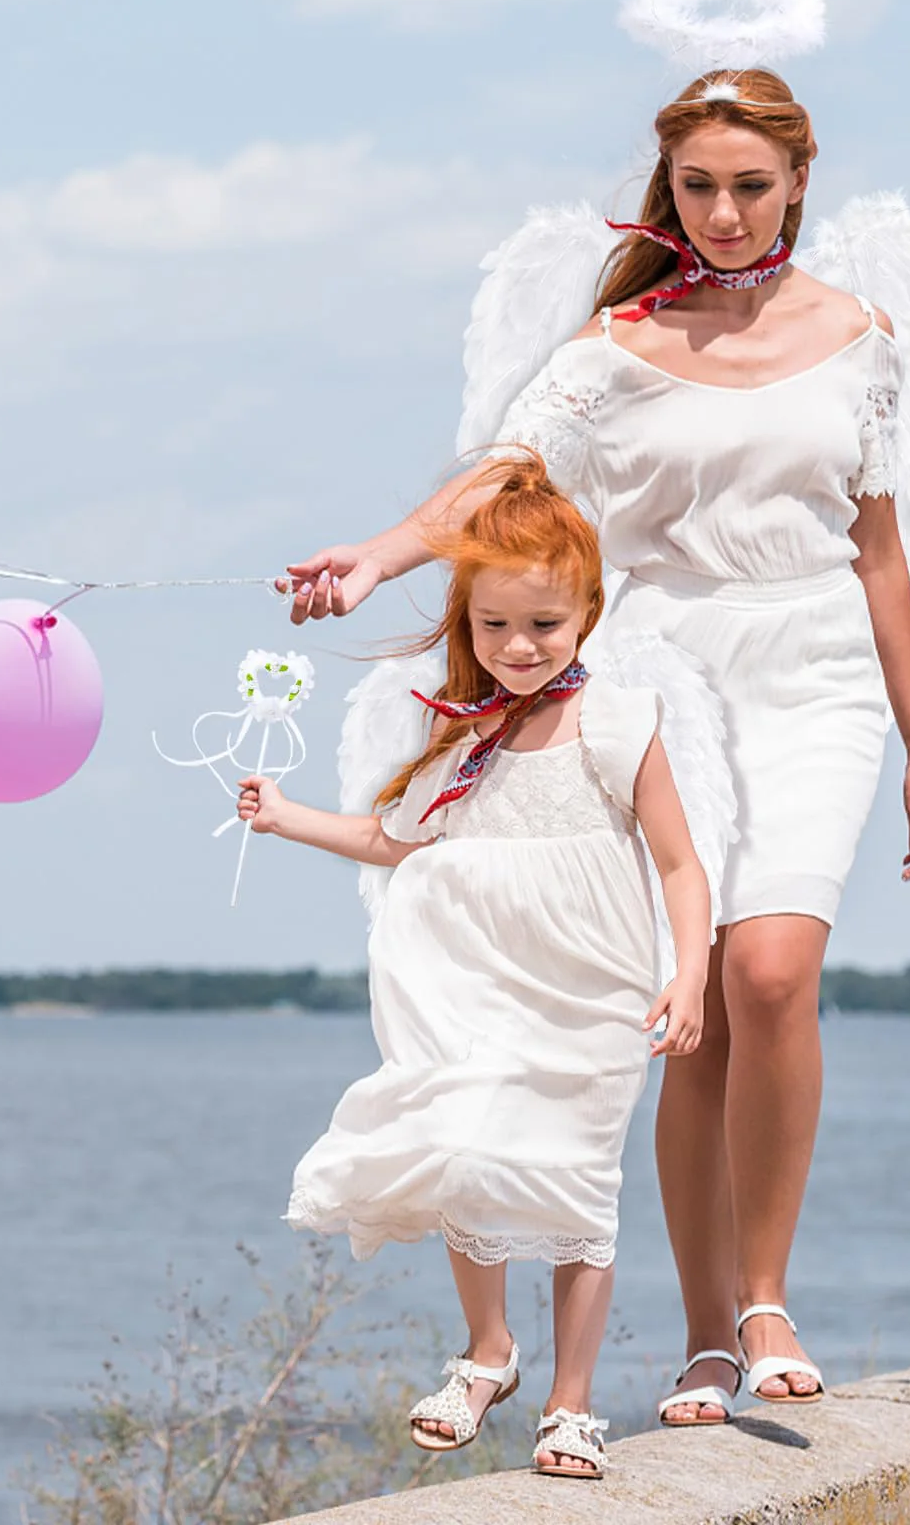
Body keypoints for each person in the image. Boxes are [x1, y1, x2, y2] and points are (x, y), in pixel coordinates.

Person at [278, 67, 910, 1427]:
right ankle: (708, 1340)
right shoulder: (620, 346)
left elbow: (883, 554)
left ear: (797, 185)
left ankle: (765, 1297)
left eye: (749, 186)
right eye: (697, 186)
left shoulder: (866, 336)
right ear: (673, 190)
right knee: (688, 1014)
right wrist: (380, 554)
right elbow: (496, 473)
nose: (721, 210)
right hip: (673, 675)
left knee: (773, 972)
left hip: (816, 669)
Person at [241, 455, 712, 1478]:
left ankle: (570, 1403)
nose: (517, 647)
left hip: (593, 984)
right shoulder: (466, 734)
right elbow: (395, 840)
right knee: (463, 1147)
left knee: (580, 1189)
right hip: (479, 982)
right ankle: (486, 1351)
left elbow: (680, 863)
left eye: (542, 624)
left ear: (587, 610)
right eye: (493, 625)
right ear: (468, 622)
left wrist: (692, 975)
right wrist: (284, 819)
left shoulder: (621, 724)